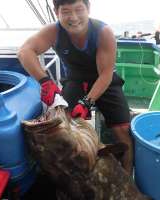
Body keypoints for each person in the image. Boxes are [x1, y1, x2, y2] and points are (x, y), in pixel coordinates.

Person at [18, 0, 133, 175]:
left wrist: (86, 102)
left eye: (79, 10)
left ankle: (126, 176)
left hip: (104, 79)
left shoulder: (103, 32)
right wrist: (45, 82)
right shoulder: (53, 31)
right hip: (75, 80)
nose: (73, 18)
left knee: (123, 129)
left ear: (88, 9)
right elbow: (25, 51)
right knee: (62, 127)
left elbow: (105, 75)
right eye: (66, 12)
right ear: (57, 13)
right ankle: (75, 174)